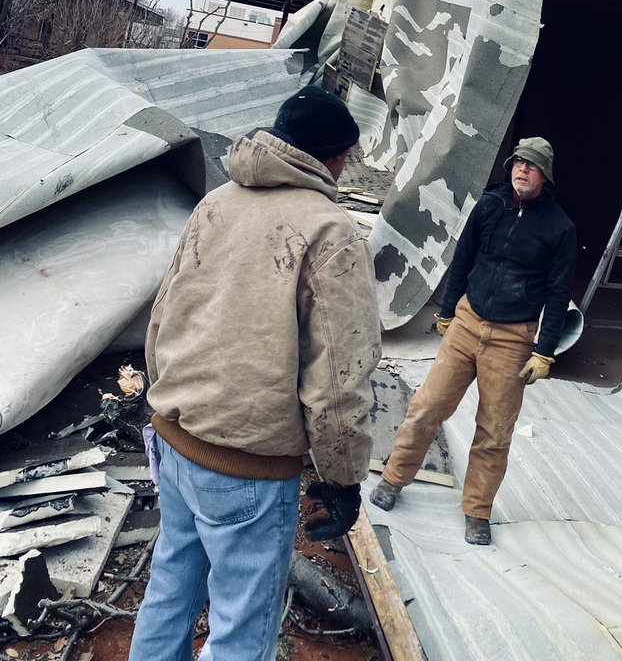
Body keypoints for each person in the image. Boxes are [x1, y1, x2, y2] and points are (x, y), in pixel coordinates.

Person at [129, 85, 382, 661]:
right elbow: (338, 381)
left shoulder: (217, 201)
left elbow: (164, 313)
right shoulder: (332, 231)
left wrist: (167, 397)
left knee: (169, 590)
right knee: (241, 629)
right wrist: (342, 478)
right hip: (247, 466)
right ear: (336, 157)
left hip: (175, 440)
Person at [369, 136, 576, 546]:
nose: (522, 169)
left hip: (513, 338)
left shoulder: (559, 228)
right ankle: (392, 480)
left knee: (494, 431)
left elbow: (558, 293)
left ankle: (477, 512)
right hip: (468, 321)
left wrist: (545, 350)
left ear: (545, 176)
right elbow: (462, 258)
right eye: (518, 162)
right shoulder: (490, 206)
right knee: (427, 407)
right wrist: (447, 311)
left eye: (532, 165)